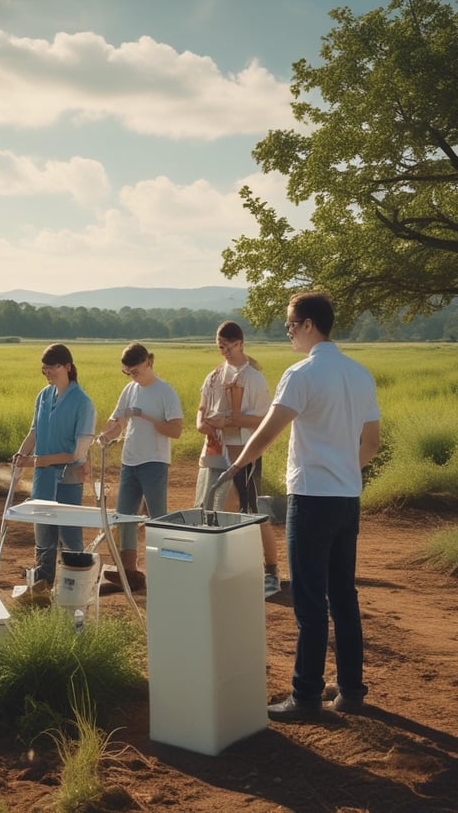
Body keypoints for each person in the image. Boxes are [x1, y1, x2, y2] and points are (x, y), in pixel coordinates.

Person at [211, 292, 380, 720]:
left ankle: (305, 697)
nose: (287, 331)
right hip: (347, 499)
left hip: (311, 498)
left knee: (308, 600)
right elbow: (372, 443)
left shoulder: (301, 374)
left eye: (290, 324)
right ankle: (351, 691)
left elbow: (268, 433)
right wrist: (344, 468)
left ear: (308, 325)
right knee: (343, 595)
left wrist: (236, 467)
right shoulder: (360, 374)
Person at [194, 321, 281, 599]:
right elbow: (201, 409)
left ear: (241, 344)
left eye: (229, 347)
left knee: (250, 510)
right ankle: (226, 567)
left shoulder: (253, 378)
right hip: (216, 451)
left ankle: (271, 571)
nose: (225, 352)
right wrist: (203, 424)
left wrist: (231, 420)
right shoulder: (214, 376)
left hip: (245, 452)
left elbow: (265, 419)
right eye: (220, 347)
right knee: (214, 508)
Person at [13, 344, 96, 607]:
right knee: (43, 540)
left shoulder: (83, 403)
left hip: (67, 479)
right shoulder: (43, 396)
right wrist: (21, 455)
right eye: (44, 369)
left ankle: (76, 597)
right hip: (43, 479)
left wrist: (38, 460)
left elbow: (77, 453)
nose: (48, 372)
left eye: (53, 367)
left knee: (70, 539)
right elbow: (34, 432)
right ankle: (41, 592)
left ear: (67, 367)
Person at [96, 343, 183, 591]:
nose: (133, 377)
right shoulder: (130, 389)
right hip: (130, 460)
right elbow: (117, 420)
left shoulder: (166, 392)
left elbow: (176, 430)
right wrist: (107, 434)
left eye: (135, 371)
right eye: (128, 373)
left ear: (148, 362)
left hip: (154, 461)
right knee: (124, 517)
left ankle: (164, 570)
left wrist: (145, 416)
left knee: (157, 517)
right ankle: (129, 573)